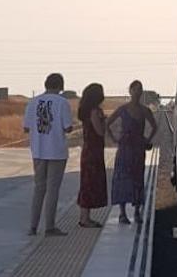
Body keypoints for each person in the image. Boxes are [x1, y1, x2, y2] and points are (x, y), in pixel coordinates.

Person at [23, 73, 73, 236]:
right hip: (56, 151)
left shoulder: (33, 102)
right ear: (61, 86)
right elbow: (68, 127)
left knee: (39, 189)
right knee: (52, 190)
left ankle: (32, 226)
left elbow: (26, 127)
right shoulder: (62, 102)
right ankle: (50, 226)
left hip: (38, 150)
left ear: (45, 84)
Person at [108, 80, 158, 224]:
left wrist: (147, 139)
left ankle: (137, 212)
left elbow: (154, 126)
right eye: (135, 89)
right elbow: (108, 123)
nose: (137, 92)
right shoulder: (122, 109)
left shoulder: (144, 110)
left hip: (138, 149)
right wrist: (114, 139)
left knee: (137, 178)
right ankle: (122, 214)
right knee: (123, 178)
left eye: (140, 90)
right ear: (130, 91)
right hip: (125, 149)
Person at [77, 83, 108, 228]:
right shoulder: (95, 112)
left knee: (86, 182)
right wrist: (104, 121)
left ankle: (85, 216)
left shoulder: (85, 111)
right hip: (94, 151)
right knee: (90, 182)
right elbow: (100, 131)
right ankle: (85, 218)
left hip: (88, 150)